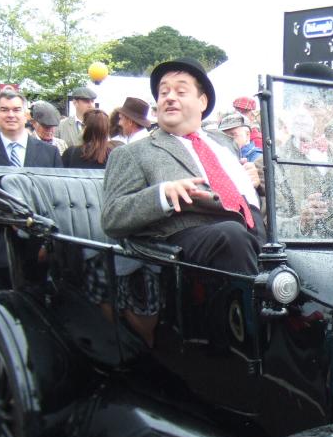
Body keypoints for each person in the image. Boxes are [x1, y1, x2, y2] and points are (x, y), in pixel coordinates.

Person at [101, 57, 264, 274]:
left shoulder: (226, 143)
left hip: (254, 233)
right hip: (187, 247)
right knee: (232, 235)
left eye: (180, 91)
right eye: (163, 92)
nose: (169, 97)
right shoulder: (132, 152)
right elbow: (112, 217)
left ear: (202, 102)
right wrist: (163, 195)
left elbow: (246, 197)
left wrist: (253, 183)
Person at [0, 90, 62, 292]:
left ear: (26, 115)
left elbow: (58, 202)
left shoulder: (49, 154)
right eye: (4, 110)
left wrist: (49, 245)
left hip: (39, 252)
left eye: (16, 110)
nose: (10, 115)